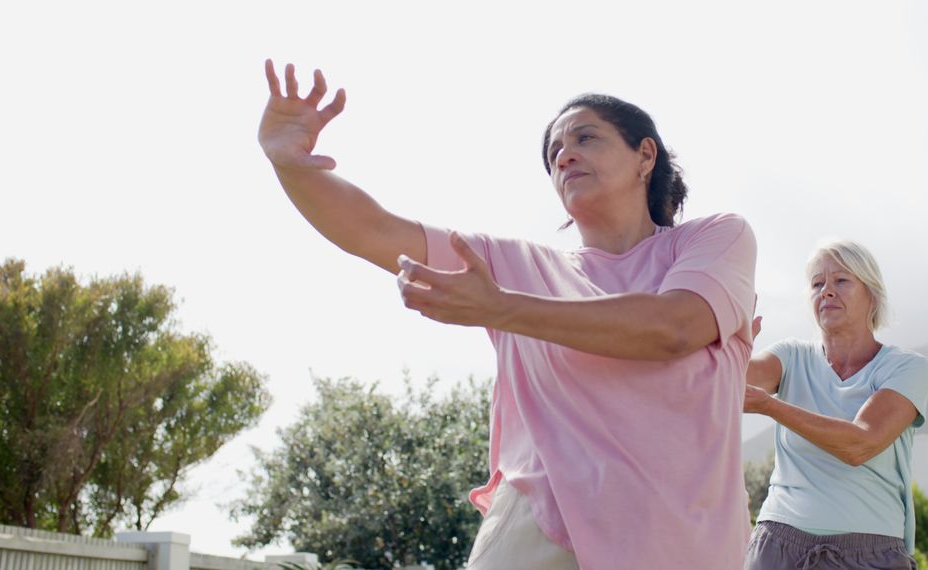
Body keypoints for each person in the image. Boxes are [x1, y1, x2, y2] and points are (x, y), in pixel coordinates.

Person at [258, 60, 756, 569]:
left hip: (683, 545)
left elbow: (673, 328)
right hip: (538, 530)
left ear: (644, 155)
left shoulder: (714, 239)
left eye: (586, 138)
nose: (565, 156)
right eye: (554, 153)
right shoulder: (513, 265)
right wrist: (291, 163)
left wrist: (501, 307)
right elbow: (375, 231)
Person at [743, 241, 928, 569]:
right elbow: (737, 379)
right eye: (818, 284)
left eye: (841, 281)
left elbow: (860, 444)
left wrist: (771, 407)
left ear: (871, 295)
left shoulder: (907, 368)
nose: (826, 291)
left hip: (870, 554)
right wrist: (734, 343)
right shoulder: (791, 355)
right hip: (777, 544)